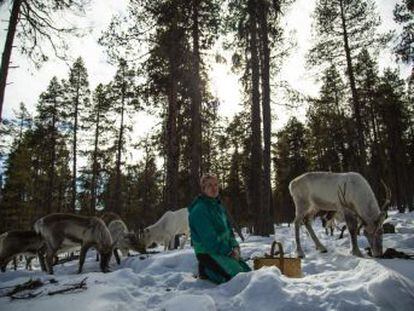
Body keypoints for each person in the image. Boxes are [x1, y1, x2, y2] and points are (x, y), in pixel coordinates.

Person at [188, 173, 251, 284]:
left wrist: (235, 247)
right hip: (207, 253)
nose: (214, 188)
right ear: (203, 189)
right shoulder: (199, 210)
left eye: (216, 185)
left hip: (224, 250)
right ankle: (205, 270)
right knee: (238, 278)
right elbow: (209, 241)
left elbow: (229, 232)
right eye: (210, 185)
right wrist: (229, 252)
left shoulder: (218, 207)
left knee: (248, 272)